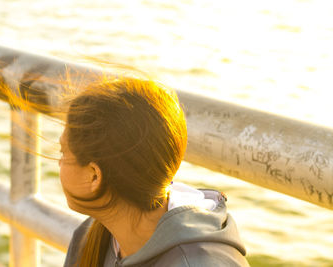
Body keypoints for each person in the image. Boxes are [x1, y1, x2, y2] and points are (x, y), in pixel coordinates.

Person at [59, 78, 249, 267]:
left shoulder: (196, 263)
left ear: (94, 175)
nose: (59, 162)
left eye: (63, 152)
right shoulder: (92, 237)